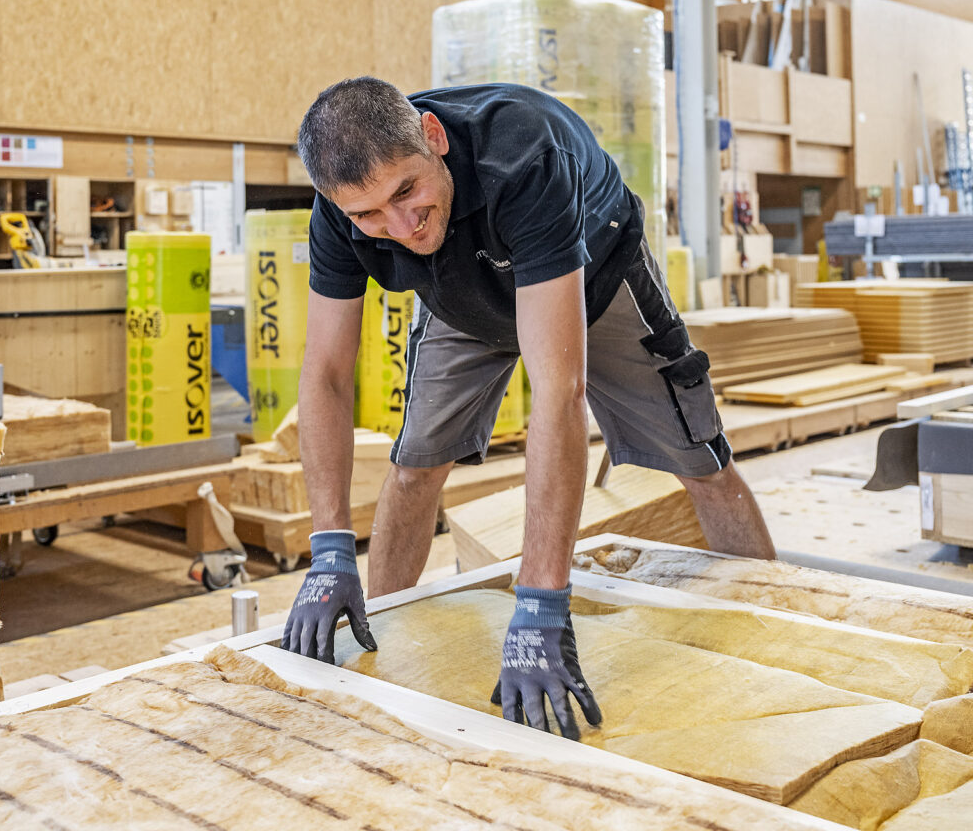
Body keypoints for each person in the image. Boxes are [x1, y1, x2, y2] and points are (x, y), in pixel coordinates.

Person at [281, 77, 776, 740]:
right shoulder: (340, 216)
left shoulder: (520, 155)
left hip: (592, 279)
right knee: (414, 465)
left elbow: (558, 388)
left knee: (701, 465)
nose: (399, 226)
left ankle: (776, 634)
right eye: (369, 216)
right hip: (461, 294)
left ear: (433, 137)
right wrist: (329, 547)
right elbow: (327, 373)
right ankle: (389, 644)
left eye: (406, 192)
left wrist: (542, 602)